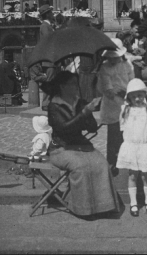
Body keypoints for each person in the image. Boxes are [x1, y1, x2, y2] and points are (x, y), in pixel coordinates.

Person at [44, 71, 120, 218]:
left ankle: (104, 206)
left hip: (80, 145)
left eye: (76, 84)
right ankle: (82, 208)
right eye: (72, 84)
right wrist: (84, 113)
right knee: (81, 166)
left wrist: (88, 113)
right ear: (62, 86)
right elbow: (64, 128)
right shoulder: (54, 105)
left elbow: (91, 128)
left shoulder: (79, 102)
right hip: (60, 148)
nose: (76, 87)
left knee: (102, 164)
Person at [117, 78, 147, 217]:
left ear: (145, 95)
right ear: (129, 97)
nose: (137, 98)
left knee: (145, 175)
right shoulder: (126, 110)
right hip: (132, 146)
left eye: (140, 95)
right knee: (132, 175)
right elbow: (123, 127)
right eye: (134, 96)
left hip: (146, 146)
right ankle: (133, 203)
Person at [97, 38, 134, 173]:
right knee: (113, 135)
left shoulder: (127, 65)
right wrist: (117, 91)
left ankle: (127, 160)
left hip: (126, 102)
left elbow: (132, 81)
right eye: (110, 57)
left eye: (115, 57)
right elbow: (107, 89)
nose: (113, 60)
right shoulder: (105, 68)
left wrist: (129, 92)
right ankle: (113, 162)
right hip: (113, 104)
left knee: (126, 133)